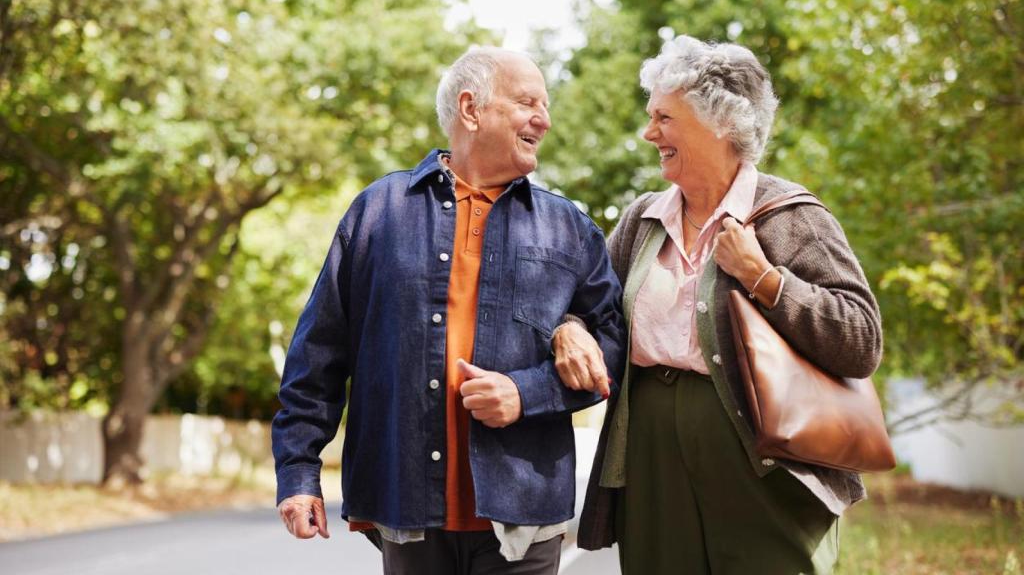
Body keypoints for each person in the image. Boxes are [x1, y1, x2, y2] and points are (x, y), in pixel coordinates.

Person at [271, 46, 626, 575]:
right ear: (471, 109)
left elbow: (615, 344)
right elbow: (319, 351)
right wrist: (299, 473)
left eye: (545, 106)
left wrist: (527, 393)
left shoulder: (568, 227)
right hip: (406, 505)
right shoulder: (378, 211)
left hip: (524, 516)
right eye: (528, 102)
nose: (545, 120)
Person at [552, 35, 883, 574]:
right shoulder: (643, 220)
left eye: (664, 117)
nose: (648, 132)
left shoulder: (790, 215)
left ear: (721, 121)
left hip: (761, 465)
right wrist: (569, 328)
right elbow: (589, 308)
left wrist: (764, 278)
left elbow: (861, 339)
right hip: (651, 459)